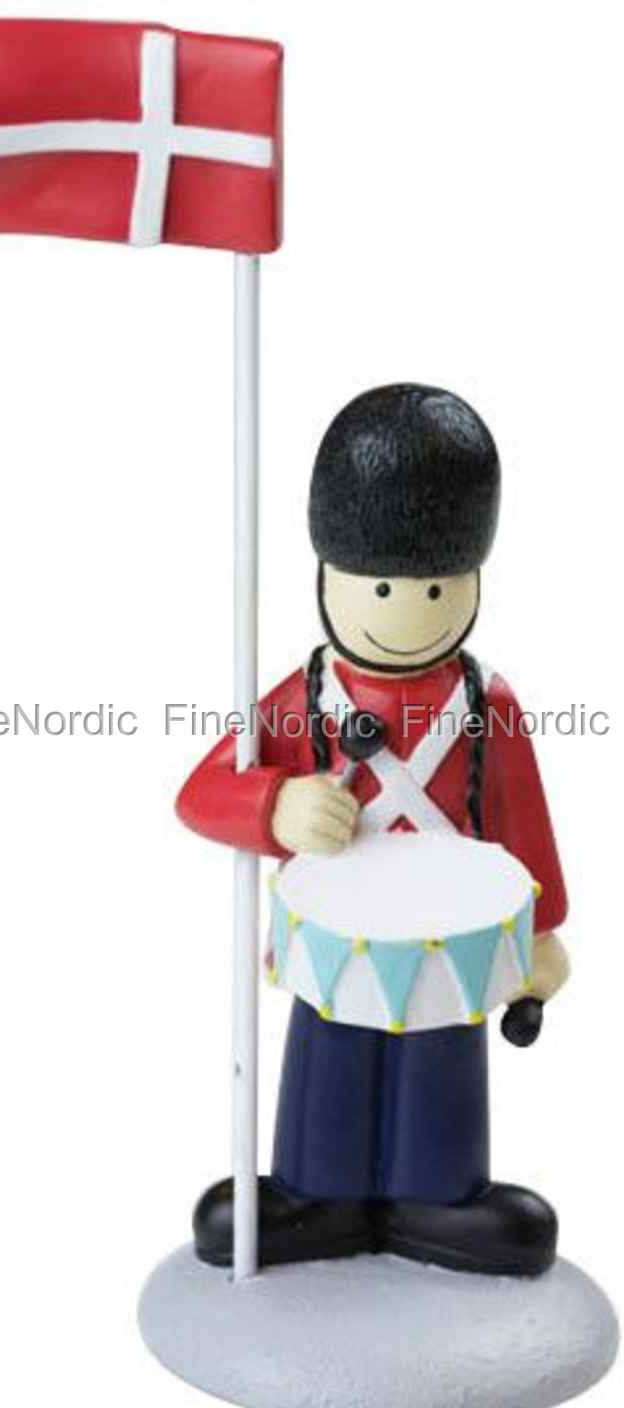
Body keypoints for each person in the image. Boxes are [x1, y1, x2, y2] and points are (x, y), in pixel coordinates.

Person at [177, 383, 569, 1276]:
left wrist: (542, 936)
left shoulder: (487, 708)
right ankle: (318, 1195)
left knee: (441, 1062)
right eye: (383, 586)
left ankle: (438, 1199)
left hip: (450, 946)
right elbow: (201, 794)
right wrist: (274, 803)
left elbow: (526, 824)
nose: (407, 610)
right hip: (335, 948)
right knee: (332, 1054)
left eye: (433, 586)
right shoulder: (303, 700)